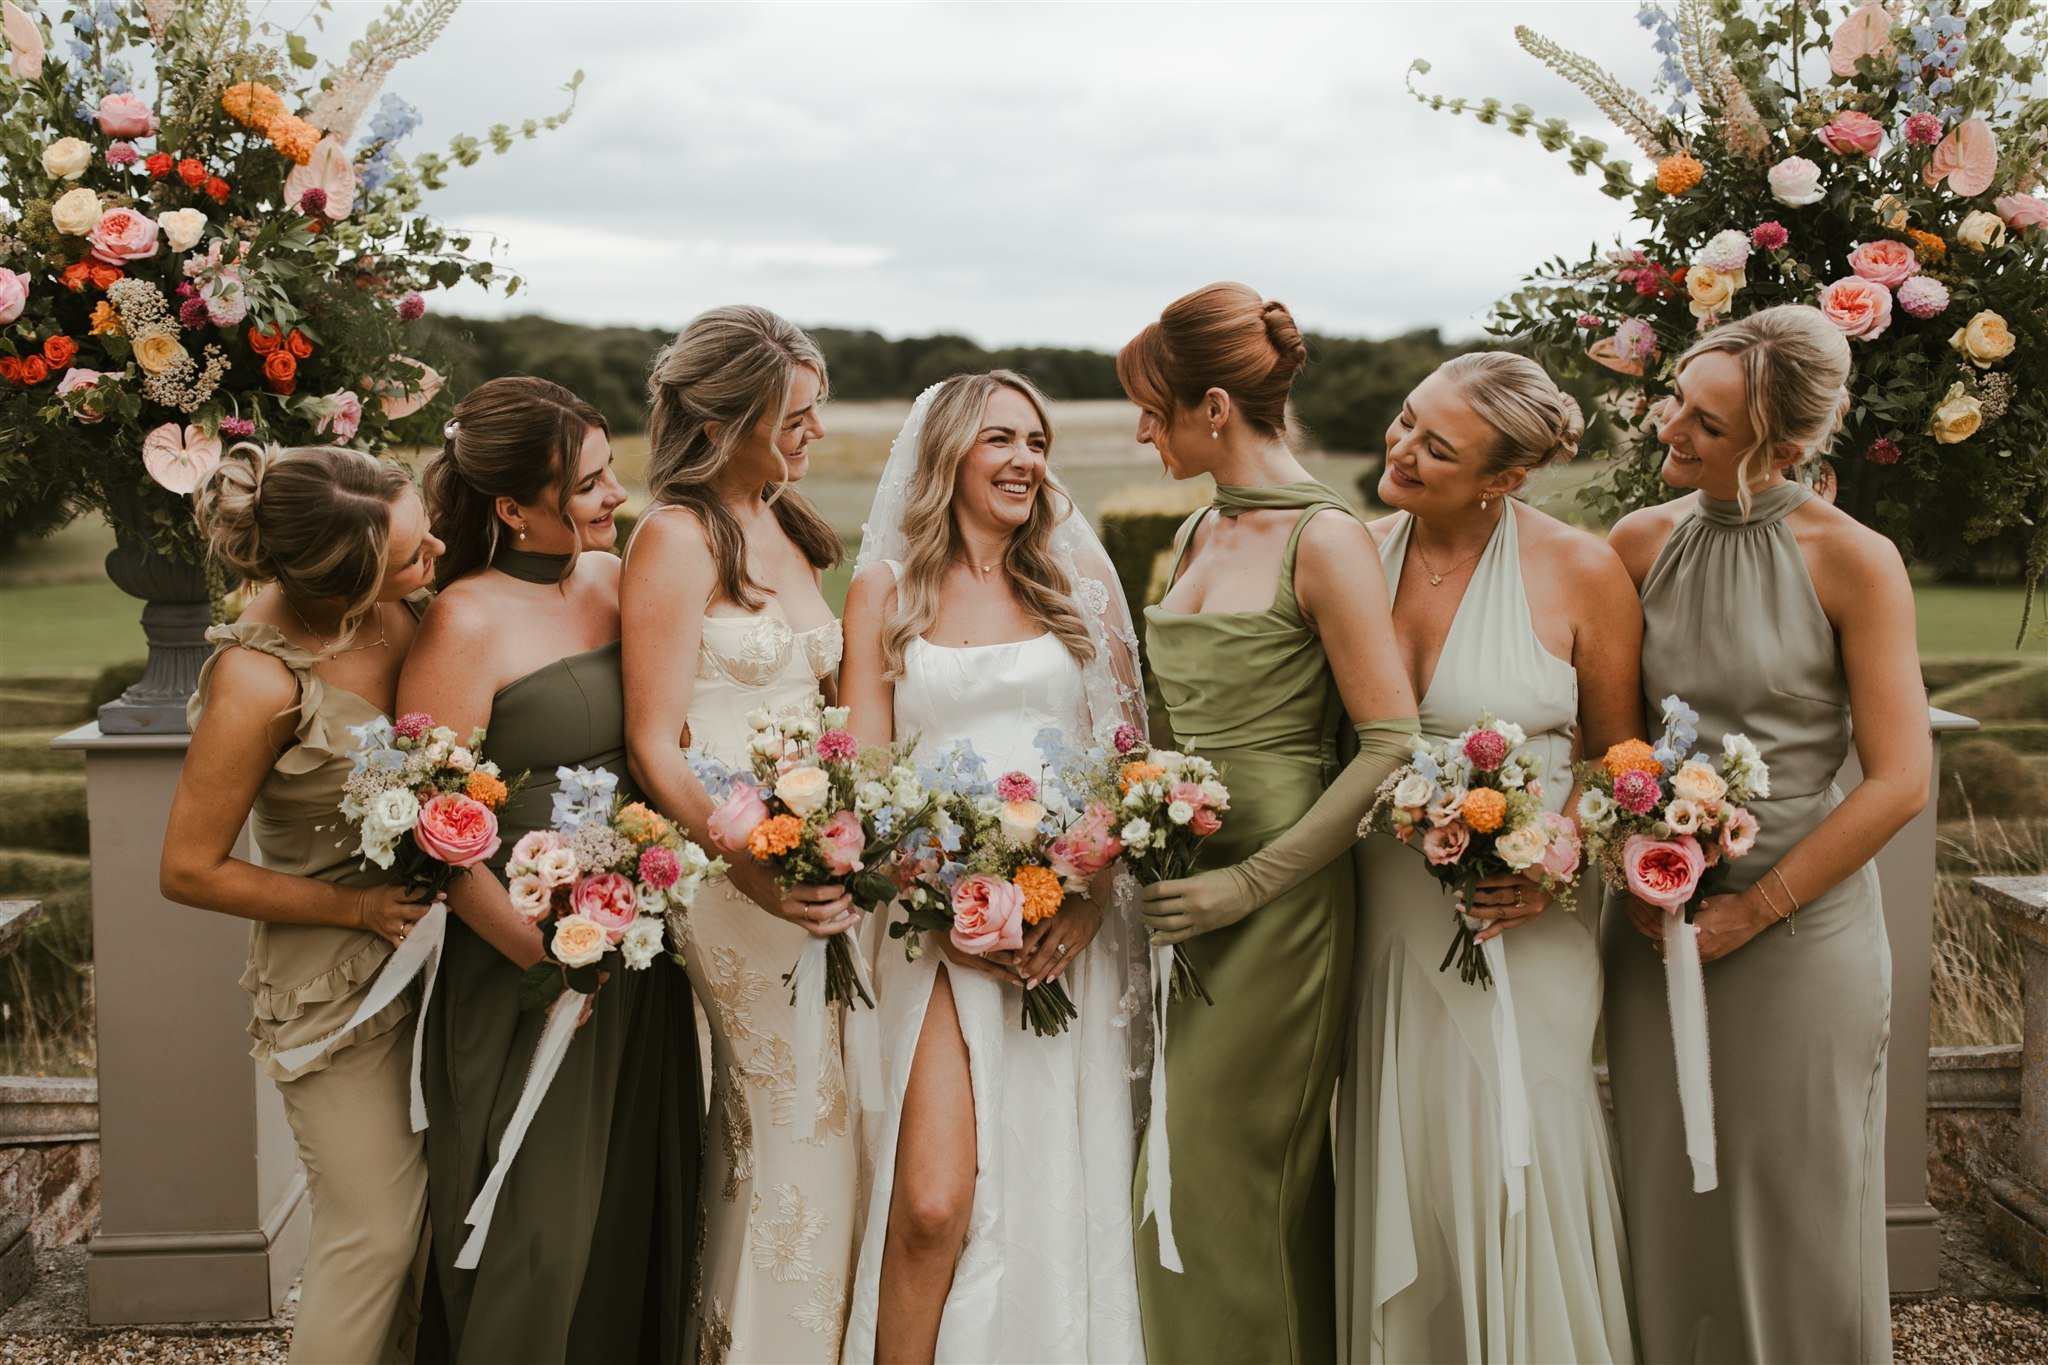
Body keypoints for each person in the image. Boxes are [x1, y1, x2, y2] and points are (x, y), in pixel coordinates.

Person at [1604, 304, 1929, 1363]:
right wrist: (1637, 864)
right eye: (1674, 402)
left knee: (1798, 1195)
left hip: (1799, 928)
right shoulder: (1636, 543)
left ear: (1780, 449)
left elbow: (1899, 780)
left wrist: (1752, 912)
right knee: (1662, 1186)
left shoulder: (1852, 560)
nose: (1670, 431)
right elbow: (1611, 746)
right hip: (1655, 917)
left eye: (1704, 421)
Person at [1118, 281, 1419, 1363]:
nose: (1139, 430)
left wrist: (1245, 885)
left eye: (1151, 409)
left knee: (1230, 1173)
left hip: (1278, 900)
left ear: (1211, 406)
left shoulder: (1326, 539)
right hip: (1183, 883)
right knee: (1172, 1172)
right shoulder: (1202, 523)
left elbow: (1388, 742)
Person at [838, 371, 1149, 1363]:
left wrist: (1088, 895)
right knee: (931, 1204)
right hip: (931, 926)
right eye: (998, 441)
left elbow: (1121, 755)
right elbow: (866, 775)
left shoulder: (1074, 583)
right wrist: (938, 903)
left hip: (1062, 922)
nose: (1024, 460)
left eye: (1034, 440)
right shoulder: (884, 590)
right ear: (946, 459)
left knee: (1047, 1180)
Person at [1338, 352, 1640, 1362]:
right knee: (1407, 1170)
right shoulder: (1348, 556)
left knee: (1522, 1161)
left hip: (1525, 924)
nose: (1402, 449)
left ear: (1503, 479)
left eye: (1438, 446)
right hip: (1378, 923)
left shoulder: (1580, 571)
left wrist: (1556, 858)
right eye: (1405, 420)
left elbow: (1616, 765)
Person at [402, 376, 695, 1363]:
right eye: (588, 484)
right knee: (534, 1229)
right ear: (510, 506)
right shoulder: (464, 621)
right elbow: (427, 830)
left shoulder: (616, 580)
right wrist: (544, 954)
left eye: (612, 473)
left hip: (634, 952)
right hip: (523, 969)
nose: (616, 497)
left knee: (624, 1213)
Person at [163, 443, 443, 1364]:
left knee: (435, 1233)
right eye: (410, 556)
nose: (435, 553)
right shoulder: (258, 681)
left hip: (447, 954)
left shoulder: (402, 606)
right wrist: (355, 911)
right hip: (333, 990)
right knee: (375, 1233)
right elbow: (189, 868)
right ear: (343, 586)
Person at [621, 306, 857, 1362]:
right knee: (798, 1114)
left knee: (813, 1123)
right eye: (795, 416)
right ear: (724, 422)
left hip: (816, 860)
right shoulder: (673, 537)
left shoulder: (789, 521)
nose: (815, 433)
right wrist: (750, 866)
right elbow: (655, 745)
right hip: (735, 879)